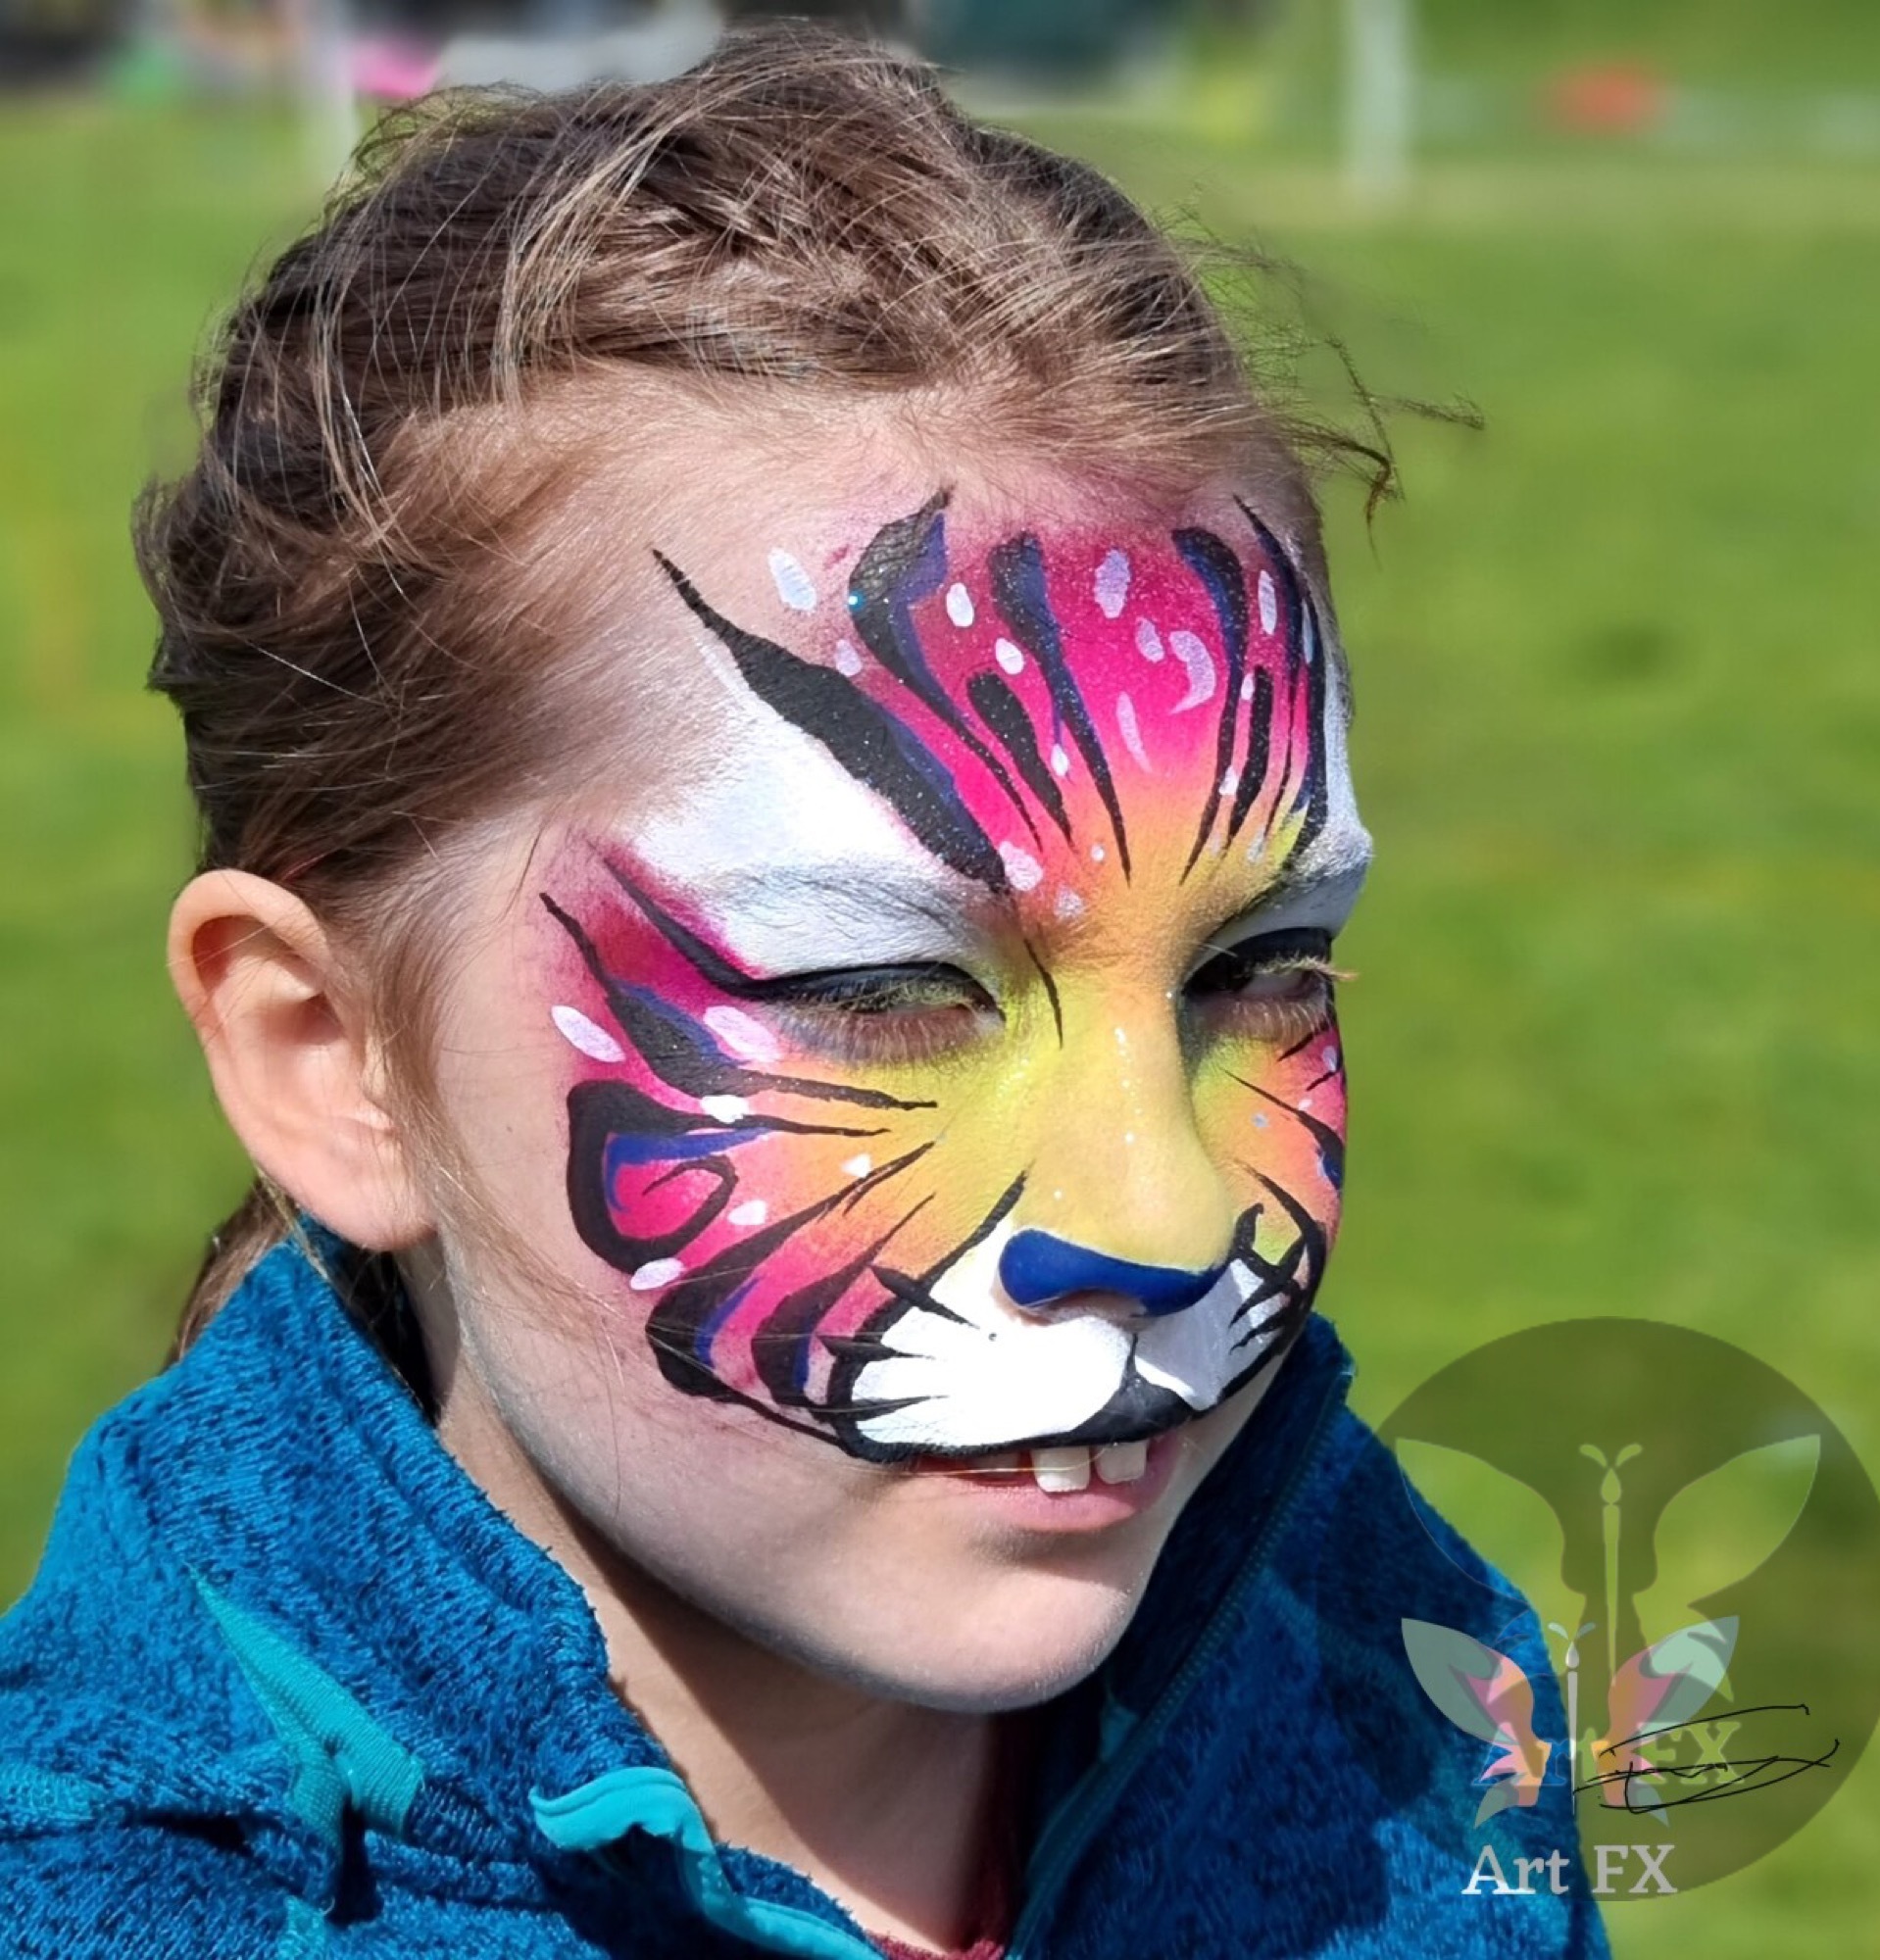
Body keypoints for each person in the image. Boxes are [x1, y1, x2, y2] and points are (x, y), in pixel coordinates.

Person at [0, 25, 1606, 1958]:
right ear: (332, 1057)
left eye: (1256, 968)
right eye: (890, 992)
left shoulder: (1406, 1708)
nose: (1169, 1219)